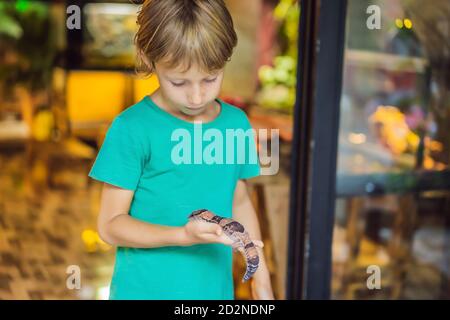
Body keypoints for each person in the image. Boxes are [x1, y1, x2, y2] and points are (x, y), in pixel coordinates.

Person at [88, 0, 274, 300]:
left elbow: (238, 201)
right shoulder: (132, 128)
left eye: (211, 78)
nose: (197, 95)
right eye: (179, 82)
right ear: (149, 59)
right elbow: (110, 226)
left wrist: (260, 274)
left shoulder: (236, 124)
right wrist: (183, 235)